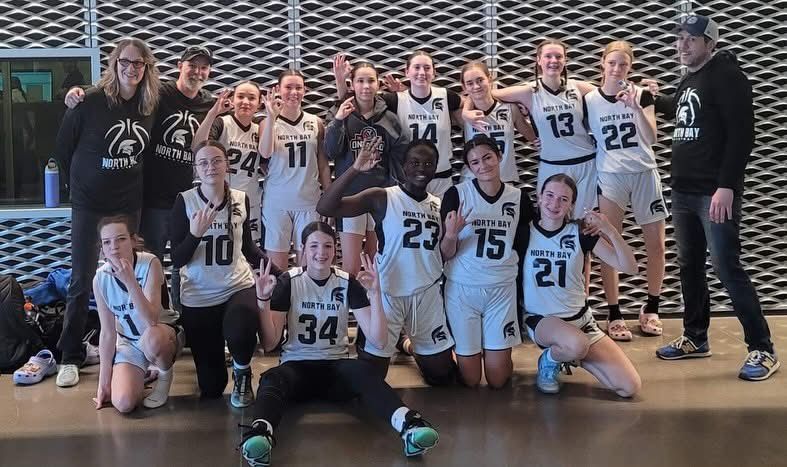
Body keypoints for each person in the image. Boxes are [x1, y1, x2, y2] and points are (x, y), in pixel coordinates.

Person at [240, 222, 439, 466]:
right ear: (302, 249)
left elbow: (378, 339)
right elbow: (270, 344)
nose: (320, 253)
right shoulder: (288, 282)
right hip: (297, 368)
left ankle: (409, 424)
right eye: (313, 246)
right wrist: (263, 301)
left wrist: (375, 294)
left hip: (337, 368)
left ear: (335, 249)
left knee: (365, 372)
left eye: (327, 246)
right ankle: (261, 434)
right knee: (272, 378)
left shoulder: (348, 282)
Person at [652, 14, 779, 380]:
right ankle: (695, 337)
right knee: (689, 265)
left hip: (713, 192)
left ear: (710, 43)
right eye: (680, 39)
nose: (683, 45)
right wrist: (648, 97)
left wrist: (727, 186)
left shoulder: (728, 75)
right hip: (683, 190)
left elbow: (743, 135)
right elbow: (681, 107)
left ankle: (762, 348)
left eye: (692, 39)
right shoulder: (692, 78)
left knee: (726, 267)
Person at [66, 45, 216, 310]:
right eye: (192, 65)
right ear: (180, 66)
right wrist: (76, 92)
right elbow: (67, 144)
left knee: (183, 265)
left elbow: (199, 145)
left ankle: (174, 322)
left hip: (180, 199)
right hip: (147, 200)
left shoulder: (206, 102)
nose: (197, 72)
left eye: (203, 67)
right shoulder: (160, 94)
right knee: (145, 265)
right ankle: (140, 325)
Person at [54, 38, 160, 388]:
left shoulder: (149, 104)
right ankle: (70, 355)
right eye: (125, 62)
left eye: (139, 63)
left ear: (146, 68)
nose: (131, 69)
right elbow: (63, 148)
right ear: (115, 64)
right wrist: (78, 187)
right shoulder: (90, 101)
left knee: (129, 275)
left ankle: (133, 349)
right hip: (89, 204)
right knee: (83, 277)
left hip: (128, 203)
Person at [317, 139, 456, 385]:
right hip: (387, 294)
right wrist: (355, 170)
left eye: (428, 163)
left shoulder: (440, 206)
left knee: (442, 377)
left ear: (436, 167)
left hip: (426, 297)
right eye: (414, 163)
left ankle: (407, 344)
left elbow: (442, 254)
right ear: (403, 166)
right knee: (370, 379)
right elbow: (326, 206)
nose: (421, 168)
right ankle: (394, 340)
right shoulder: (382, 197)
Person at [170, 140, 273, 407]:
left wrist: (279, 272)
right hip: (198, 295)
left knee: (240, 330)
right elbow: (178, 259)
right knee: (212, 387)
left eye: (216, 160)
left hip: (236, 285)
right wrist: (195, 234)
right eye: (203, 162)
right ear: (196, 169)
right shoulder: (185, 201)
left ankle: (242, 372)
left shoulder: (241, 198)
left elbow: (248, 248)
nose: (210, 166)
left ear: (227, 164)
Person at [522, 174, 641, 397]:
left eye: (563, 199)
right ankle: (549, 360)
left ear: (571, 205)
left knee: (629, 387)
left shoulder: (579, 232)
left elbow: (630, 267)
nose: (554, 203)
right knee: (576, 344)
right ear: (539, 197)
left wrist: (609, 230)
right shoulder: (524, 232)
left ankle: (567, 354)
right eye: (549, 195)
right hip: (542, 320)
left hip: (582, 322)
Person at [583, 40, 666, 341]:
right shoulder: (590, 98)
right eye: (612, 63)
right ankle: (614, 312)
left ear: (630, 67)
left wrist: (636, 108)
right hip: (611, 175)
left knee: (655, 244)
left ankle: (652, 306)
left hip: (644, 172)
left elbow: (651, 137)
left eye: (623, 64)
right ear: (602, 64)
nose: (617, 69)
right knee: (609, 243)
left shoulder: (641, 94)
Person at [440, 135, 534, 388]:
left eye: (487, 158)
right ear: (469, 168)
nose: (482, 166)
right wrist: (451, 234)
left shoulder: (518, 198)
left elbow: (525, 247)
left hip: (501, 289)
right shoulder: (456, 195)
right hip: (462, 288)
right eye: (474, 162)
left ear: (499, 156)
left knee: (497, 380)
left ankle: (492, 349)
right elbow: (444, 253)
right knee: (470, 380)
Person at [334, 50, 463, 197]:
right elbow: (356, 103)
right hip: (409, 178)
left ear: (434, 72)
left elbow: (475, 98)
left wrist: (468, 113)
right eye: (416, 67)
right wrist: (340, 82)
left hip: (441, 177)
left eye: (427, 68)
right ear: (406, 71)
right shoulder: (395, 100)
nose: (422, 72)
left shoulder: (446, 96)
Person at [324, 61, 408, 276]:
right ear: (352, 84)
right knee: (350, 267)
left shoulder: (389, 118)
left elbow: (400, 157)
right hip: (350, 197)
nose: (366, 86)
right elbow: (331, 151)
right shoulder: (340, 111)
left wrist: (394, 191)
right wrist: (338, 120)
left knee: (375, 264)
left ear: (378, 84)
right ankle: (348, 309)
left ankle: (374, 309)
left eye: (370, 80)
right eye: (360, 81)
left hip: (380, 197)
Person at [92, 215, 181, 413]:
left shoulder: (150, 263)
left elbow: (151, 319)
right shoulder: (100, 279)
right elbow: (107, 333)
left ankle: (164, 376)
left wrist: (130, 281)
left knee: (152, 339)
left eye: (121, 239)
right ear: (102, 248)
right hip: (129, 343)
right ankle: (140, 375)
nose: (114, 246)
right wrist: (103, 383)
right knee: (123, 404)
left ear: (133, 240)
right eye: (107, 242)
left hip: (160, 333)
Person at [258, 70, 331, 270]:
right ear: (278, 90)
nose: (293, 92)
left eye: (298, 87)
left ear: (304, 90)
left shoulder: (315, 122)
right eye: (288, 87)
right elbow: (265, 153)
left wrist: (329, 200)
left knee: (309, 268)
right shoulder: (266, 122)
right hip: (277, 203)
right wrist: (272, 118)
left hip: (308, 202)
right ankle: (278, 303)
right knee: (276, 269)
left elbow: (323, 163)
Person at [193, 81, 264, 244]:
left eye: (251, 98)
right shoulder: (222, 123)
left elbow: (267, 160)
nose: (245, 102)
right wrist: (213, 113)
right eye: (240, 96)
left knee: (248, 251)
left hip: (249, 201)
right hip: (219, 199)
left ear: (259, 103)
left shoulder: (259, 129)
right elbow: (198, 146)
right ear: (232, 100)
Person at [459, 61, 537, 184]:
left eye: (480, 80)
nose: (476, 86)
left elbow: (534, 138)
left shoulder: (510, 109)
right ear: (464, 87)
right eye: (470, 83)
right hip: (472, 181)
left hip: (504, 179)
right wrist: (465, 112)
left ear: (489, 79)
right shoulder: (462, 114)